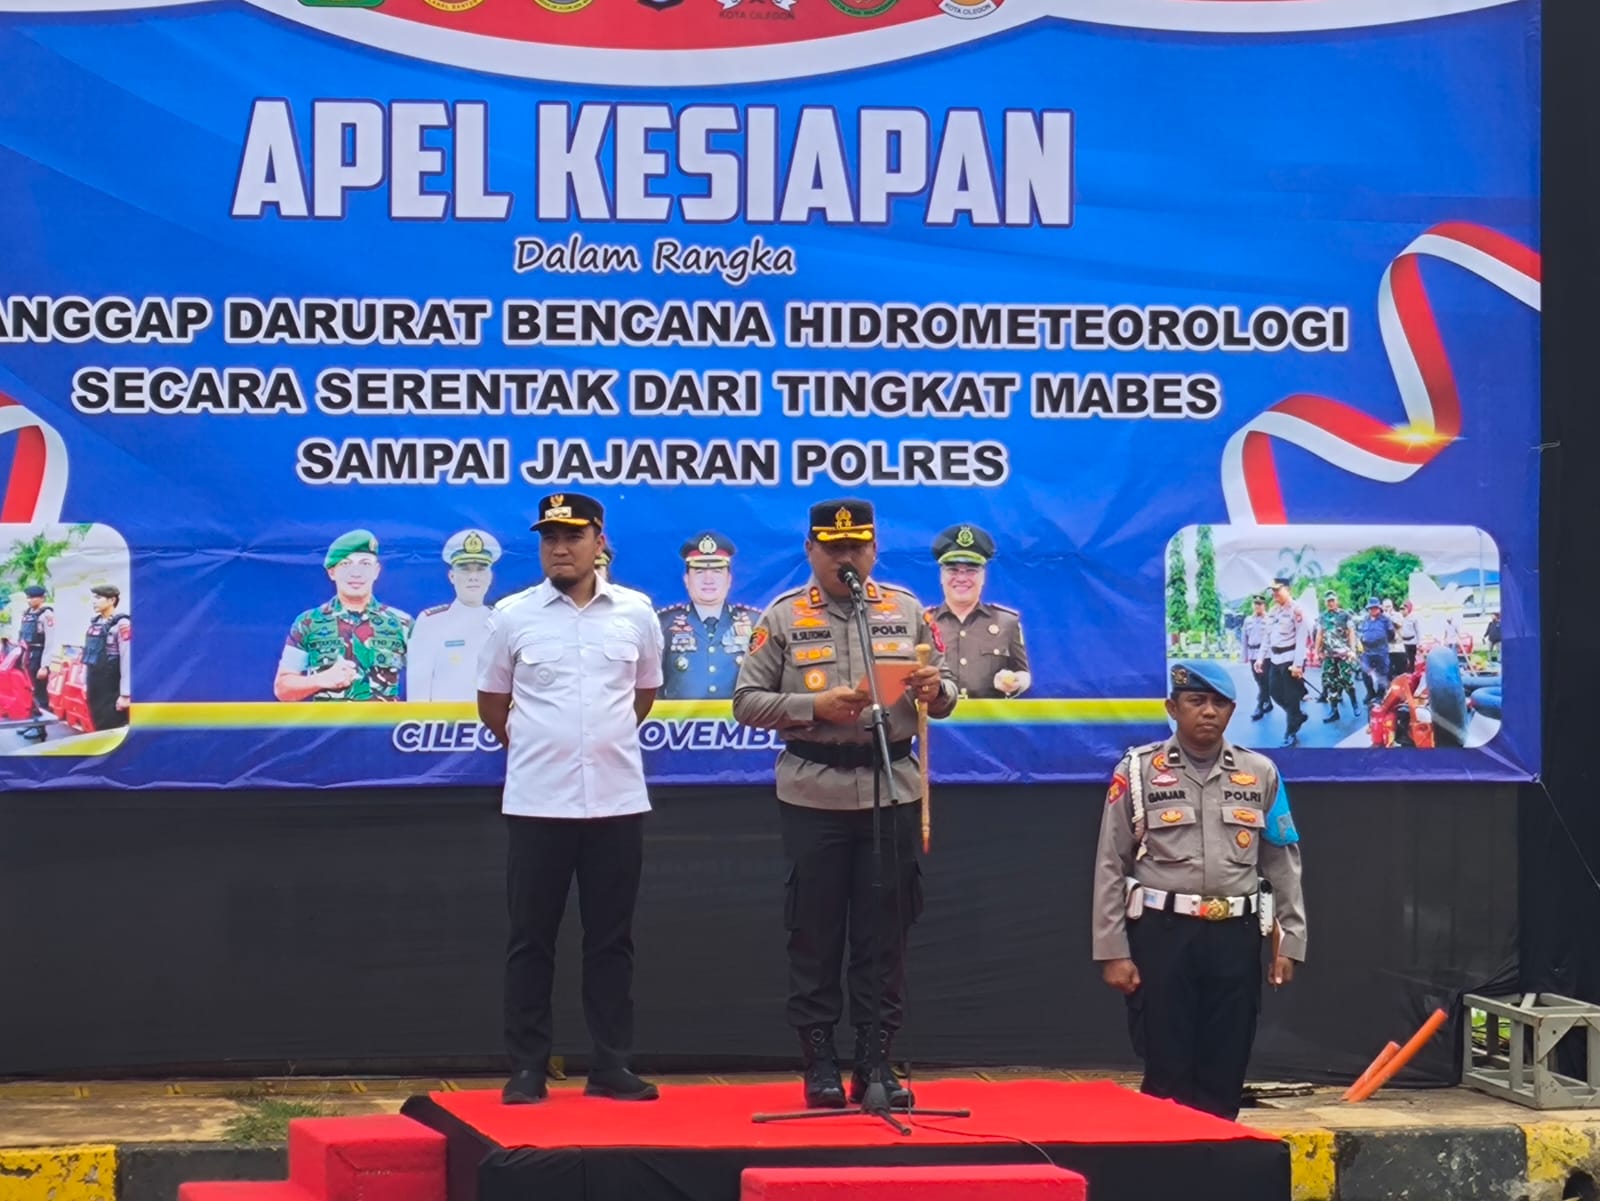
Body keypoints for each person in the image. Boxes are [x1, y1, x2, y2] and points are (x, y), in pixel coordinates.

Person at [733, 498, 958, 1111]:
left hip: (893, 788)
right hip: (815, 791)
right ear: (810, 551)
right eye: (833, 549)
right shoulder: (783, 617)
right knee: (816, 931)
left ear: (875, 549)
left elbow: (946, 693)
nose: (846, 559)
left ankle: (876, 1060)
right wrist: (812, 706)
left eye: (856, 547)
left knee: (885, 934)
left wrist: (937, 689)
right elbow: (746, 701)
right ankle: (820, 1062)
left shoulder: (906, 610)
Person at [477, 492, 665, 1106]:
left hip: (616, 800)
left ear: (598, 541)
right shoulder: (512, 615)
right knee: (530, 939)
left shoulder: (635, 612)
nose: (560, 548)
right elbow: (493, 704)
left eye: (573, 536)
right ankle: (527, 1067)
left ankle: (611, 1065)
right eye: (550, 538)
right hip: (538, 802)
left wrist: (596, 743)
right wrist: (545, 746)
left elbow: (644, 692)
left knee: (612, 940)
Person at [1092, 660, 1307, 1120]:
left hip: (1235, 936)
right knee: (1166, 1068)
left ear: (1232, 710)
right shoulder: (1138, 771)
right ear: (1173, 708)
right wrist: (1112, 950)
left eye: (1219, 703)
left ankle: (1218, 1156)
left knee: (1226, 1065)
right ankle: (1168, 1159)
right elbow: (1111, 863)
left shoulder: (1261, 772)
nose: (1208, 712)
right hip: (1163, 933)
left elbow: (1283, 863)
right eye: (1196, 701)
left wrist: (1289, 941)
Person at [275, 530, 412, 702]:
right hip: (328, 720)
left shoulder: (401, 623)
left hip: (384, 720)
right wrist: (320, 680)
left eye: (365, 564)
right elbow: (283, 689)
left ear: (376, 571)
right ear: (332, 572)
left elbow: (427, 680)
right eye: (346, 564)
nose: (356, 573)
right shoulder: (308, 622)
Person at [926, 523, 1030, 699]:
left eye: (971, 571)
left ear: (983, 576)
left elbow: (1023, 672)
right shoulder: (923, 621)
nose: (961, 578)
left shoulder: (1006, 622)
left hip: (988, 717)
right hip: (937, 716)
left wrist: (1015, 682)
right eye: (953, 570)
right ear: (941, 576)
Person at [657, 531, 763, 700]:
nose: (708, 580)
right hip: (680, 718)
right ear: (686, 579)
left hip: (740, 717)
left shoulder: (755, 623)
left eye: (717, 571)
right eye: (699, 572)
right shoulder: (663, 624)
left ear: (729, 579)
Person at [407, 529, 503, 702]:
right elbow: (418, 692)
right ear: (452, 576)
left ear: (490, 577)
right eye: (465, 569)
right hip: (444, 719)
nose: (473, 577)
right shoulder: (431, 622)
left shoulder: (502, 621)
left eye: (481, 569)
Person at [1255, 576, 1307, 745]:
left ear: (1288, 590)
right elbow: (1267, 637)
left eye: (1278, 590)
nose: (1275, 593)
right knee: (1274, 692)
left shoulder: (1296, 610)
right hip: (1275, 659)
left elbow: (1301, 639)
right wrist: (1260, 658)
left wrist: (1298, 665)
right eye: (1273, 590)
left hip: (1290, 660)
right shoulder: (1273, 611)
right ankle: (1296, 715)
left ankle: (1291, 732)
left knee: (1291, 697)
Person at [82, 583, 132, 731]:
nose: (94, 601)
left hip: (111, 683)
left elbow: (127, 659)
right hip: (94, 681)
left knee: (113, 724)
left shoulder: (122, 624)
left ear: (112, 600)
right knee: (97, 721)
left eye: (98, 598)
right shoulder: (95, 623)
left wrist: (125, 694)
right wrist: (85, 682)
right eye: (94, 598)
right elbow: (88, 653)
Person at [16, 585, 58, 740]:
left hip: (39, 655)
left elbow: (50, 642)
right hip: (27, 655)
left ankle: (40, 728)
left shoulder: (46, 615)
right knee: (28, 692)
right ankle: (31, 722)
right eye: (28, 597)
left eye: (33, 597)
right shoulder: (27, 613)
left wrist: (44, 666)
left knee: (40, 693)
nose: (29, 600)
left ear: (42, 598)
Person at [1314, 591, 1360, 722]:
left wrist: (1352, 650)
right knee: (1331, 683)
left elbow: (1351, 632)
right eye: (1328, 601)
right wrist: (1316, 652)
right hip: (1329, 655)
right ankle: (1334, 711)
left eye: (1332, 600)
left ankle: (1355, 704)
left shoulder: (1344, 615)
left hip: (1343, 655)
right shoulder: (1323, 617)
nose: (1330, 603)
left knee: (1347, 681)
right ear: (1325, 602)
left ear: (1336, 601)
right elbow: (1319, 634)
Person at [1357, 598, 1396, 704]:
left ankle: (1380, 695)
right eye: (1371, 608)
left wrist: (1381, 642)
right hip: (1367, 652)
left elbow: (1391, 635)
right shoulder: (1365, 620)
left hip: (1381, 651)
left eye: (1375, 608)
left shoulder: (1385, 620)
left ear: (1379, 608)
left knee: (1382, 674)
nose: (1373, 610)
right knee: (1365, 673)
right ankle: (1370, 693)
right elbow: (1360, 633)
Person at [1239, 596, 1270, 721]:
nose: (1258, 606)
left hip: (1266, 655)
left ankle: (1259, 706)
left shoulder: (1269, 619)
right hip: (1253, 653)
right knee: (1258, 680)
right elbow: (1244, 638)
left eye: (1260, 604)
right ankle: (1268, 702)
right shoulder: (1248, 620)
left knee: (1264, 681)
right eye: (1256, 604)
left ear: (1264, 606)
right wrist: (1244, 656)